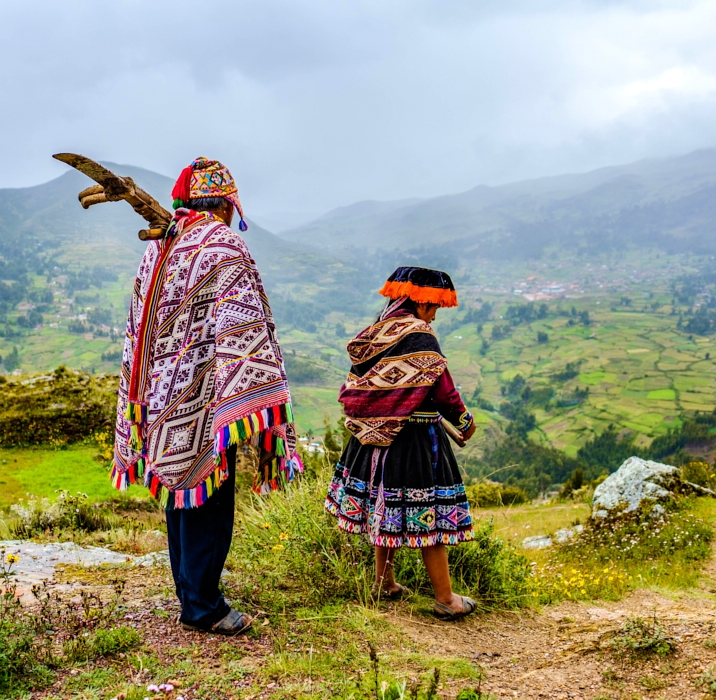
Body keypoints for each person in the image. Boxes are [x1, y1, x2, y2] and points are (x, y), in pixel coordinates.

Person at [112, 157, 302, 636]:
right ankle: (203, 606)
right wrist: (248, 388)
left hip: (160, 396)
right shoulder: (223, 245)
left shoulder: (159, 245)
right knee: (208, 501)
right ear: (227, 205)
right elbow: (245, 325)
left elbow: (142, 326)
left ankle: (190, 593)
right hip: (206, 395)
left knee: (181, 492)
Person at [325, 266, 478, 621]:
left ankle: (384, 583)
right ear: (422, 301)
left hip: (373, 437)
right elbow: (444, 391)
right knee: (431, 517)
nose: (436, 315)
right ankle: (445, 598)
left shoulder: (378, 331)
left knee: (386, 508)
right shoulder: (419, 335)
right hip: (413, 440)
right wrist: (465, 423)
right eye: (434, 307)